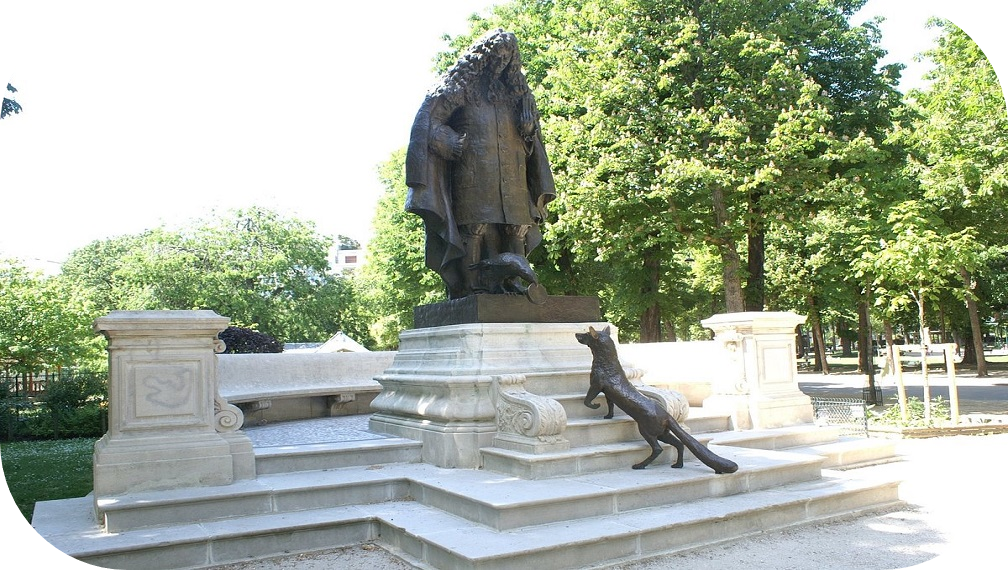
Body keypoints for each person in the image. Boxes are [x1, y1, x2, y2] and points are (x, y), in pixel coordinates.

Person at [405, 28, 555, 300]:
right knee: (474, 226)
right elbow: (428, 120)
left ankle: (515, 285)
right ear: (482, 58)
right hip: (473, 173)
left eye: (506, 59)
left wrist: (529, 129)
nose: (499, 64)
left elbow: (532, 141)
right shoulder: (459, 87)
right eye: (495, 57)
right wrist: (446, 140)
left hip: (513, 174)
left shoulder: (517, 94)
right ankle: (471, 288)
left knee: (517, 227)